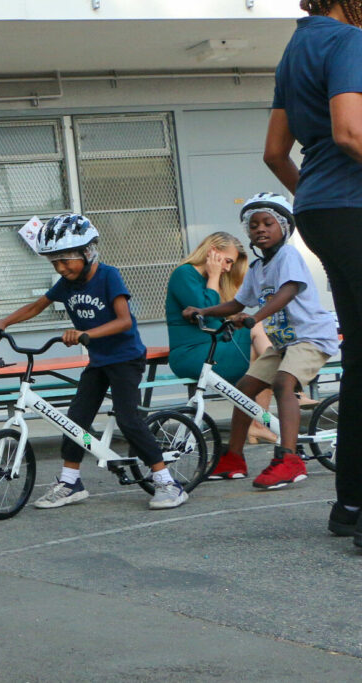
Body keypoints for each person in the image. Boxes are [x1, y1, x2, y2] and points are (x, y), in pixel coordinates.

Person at [0, 213, 188, 511]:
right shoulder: (66, 284)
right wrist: (2, 323)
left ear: (88, 253)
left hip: (125, 358)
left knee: (129, 420)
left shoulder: (108, 276)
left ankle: (167, 482)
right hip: (98, 361)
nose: (61, 268)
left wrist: (84, 333)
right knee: (75, 420)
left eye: (66, 261)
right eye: (55, 263)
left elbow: (123, 320)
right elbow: (37, 306)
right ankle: (70, 482)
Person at [263, 0, 362, 539]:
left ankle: (349, 506)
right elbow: (350, 132)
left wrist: (315, 197)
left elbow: (275, 152)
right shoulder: (349, 41)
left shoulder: (296, 47)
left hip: (321, 208)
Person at [182, 193, 340, 489]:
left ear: (284, 227)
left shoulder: (288, 256)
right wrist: (204, 310)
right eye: (253, 225)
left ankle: (289, 459)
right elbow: (237, 304)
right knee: (244, 389)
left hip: (312, 337)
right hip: (284, 343)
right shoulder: (257, 268)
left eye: (268, 223)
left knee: (283, 383)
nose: (260, 229)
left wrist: (256, 318)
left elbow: (288, 292)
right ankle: (233, 458)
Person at [165, 232, 279, 445]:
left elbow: (217, 324)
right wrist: (215, 275)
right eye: (226, 261)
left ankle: (259, 423)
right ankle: (282, 389)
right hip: (192, 354)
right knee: (259, 338)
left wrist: (234, 319)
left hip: (212, 349)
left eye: (231, 263)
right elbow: (204, 313)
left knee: (261, 360)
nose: (227, 268)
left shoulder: (210, 280)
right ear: (212, 252)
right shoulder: (184, 274)